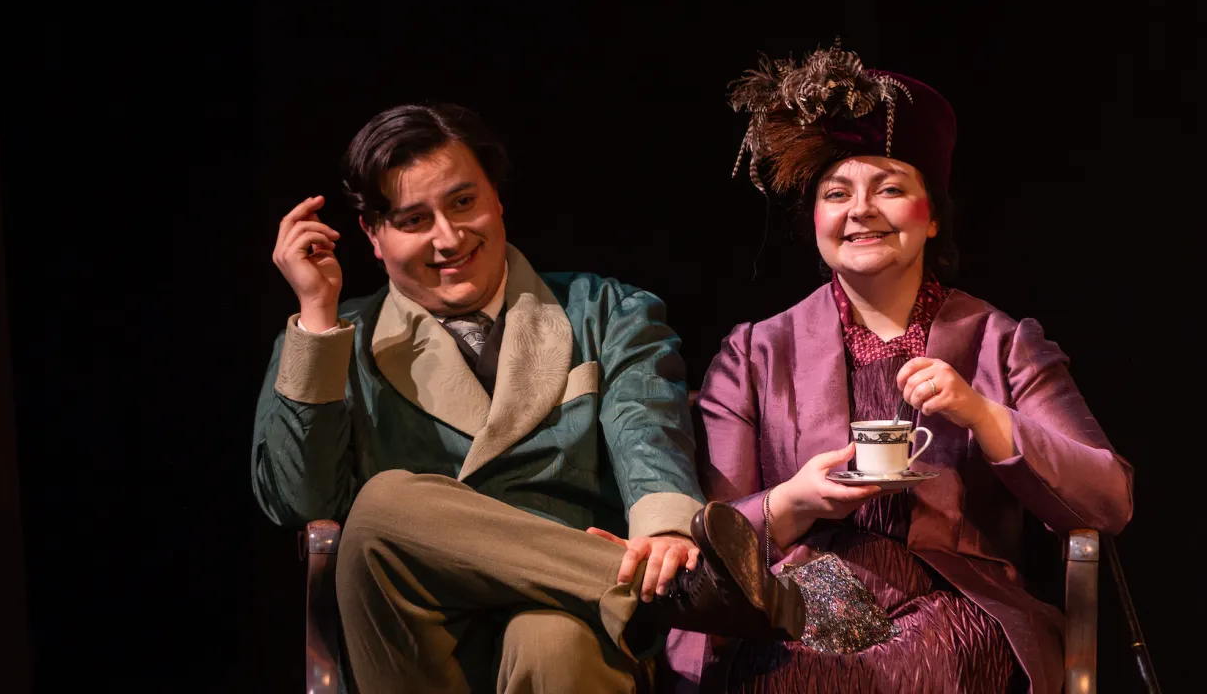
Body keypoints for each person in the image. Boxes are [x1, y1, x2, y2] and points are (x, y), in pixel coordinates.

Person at [252, 103, 802, 693]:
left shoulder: (603, 311)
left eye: (464, 203)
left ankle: (645, 586)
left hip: (575, 622)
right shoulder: (339, 343)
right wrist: (315, 317)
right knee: (382, 506)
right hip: (412, 640)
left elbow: (647, 429)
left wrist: (666, 533)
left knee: (555, 644)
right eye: (414, 220)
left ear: (497, 199)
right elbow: (300, 502)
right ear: (374, 236)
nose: (449, 238)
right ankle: (666, 595)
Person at [664, 46, 1134, 694]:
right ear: (817, 221)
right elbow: (707, 534)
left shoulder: (1000, 342)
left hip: (956, 601)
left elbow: (1107, 499)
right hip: (803, 593)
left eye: (890, 188)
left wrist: (983, 414)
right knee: (795, 672)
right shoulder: (755, 353)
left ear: (932, 214)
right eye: (838, 193)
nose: (862, 210)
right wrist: (793, 501)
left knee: (927, 669)